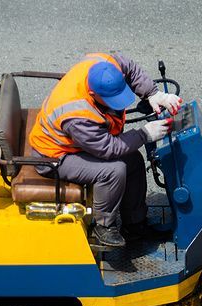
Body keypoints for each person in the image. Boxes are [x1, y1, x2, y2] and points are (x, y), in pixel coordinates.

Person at [28, 52, 182, 247]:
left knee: (133, 159)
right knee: (113, 171)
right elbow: (108, 148)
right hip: (54, 156)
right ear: (93, 94)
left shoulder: (104, 65)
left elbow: (130, 68)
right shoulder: (76, 114)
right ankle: (104, 227)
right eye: (112, 99)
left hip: (78, 143)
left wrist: (153, 94)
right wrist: (144, 135)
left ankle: (135, 225)